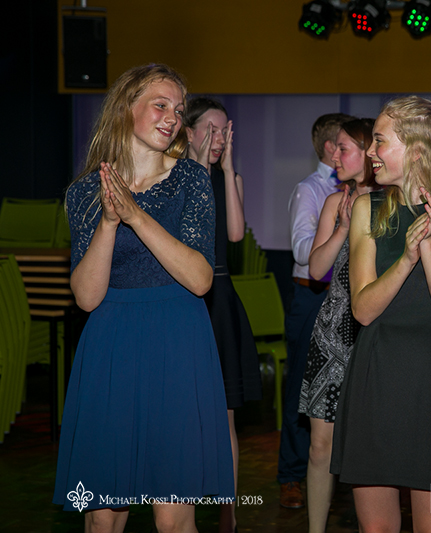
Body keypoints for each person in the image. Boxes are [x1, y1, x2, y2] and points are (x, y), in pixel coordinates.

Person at [53, 64, 234, 532]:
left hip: (178, 343)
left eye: (178, 109)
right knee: (102, 519)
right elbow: (86, 297)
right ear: (125, 108)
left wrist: (135, 216)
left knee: (173, 520)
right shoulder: (84, 193)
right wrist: (109, 222)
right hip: (111, 347)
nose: (172, 117)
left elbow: (200, 279)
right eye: (160, 105)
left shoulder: (191, 179)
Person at [330, 96, 431, 532]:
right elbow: (363, 310)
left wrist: (429, 243)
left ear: (417, 149)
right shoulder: (367, 207)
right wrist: (405, 258)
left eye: (380, 141)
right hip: (377, 372)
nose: (370, 152)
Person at [184, 96, 262, 533]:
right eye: (211, 130)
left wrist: (228, 169)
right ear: (189, 132)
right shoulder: (174, 178)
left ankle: (228, 517)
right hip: (184, 298)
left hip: (220, 297)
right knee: (183, 414)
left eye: (225, 131)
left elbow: (233, 234)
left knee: (225, 415)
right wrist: (197, 167)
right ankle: (181, 514)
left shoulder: (229, 178)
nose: (218, 139)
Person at [298, 118, 379, 533]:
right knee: (320, 446)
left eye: (344, 149)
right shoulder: (335, 202)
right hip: (333, 331)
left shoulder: (392, 203)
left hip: (376, 329)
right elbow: (316, 269)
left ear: (369, 152)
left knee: (371, 444)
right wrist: (344, 227)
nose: (335, 156)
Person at [281, 112, 355, 509]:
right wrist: (337, 228)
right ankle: (291, 476)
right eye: (341, 145)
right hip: (314, 296)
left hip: (350, 301)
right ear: (330, 147)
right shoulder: (311, 189)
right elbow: (301, 252)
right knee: (302, 392)